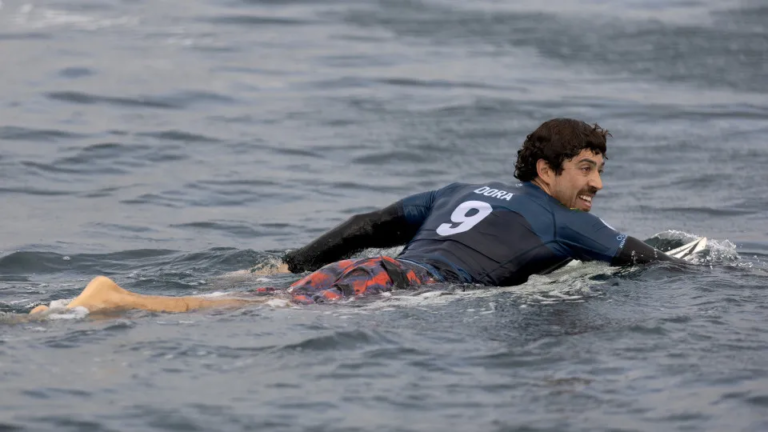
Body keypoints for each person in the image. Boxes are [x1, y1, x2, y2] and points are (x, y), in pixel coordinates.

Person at [30, 118, 680, 315]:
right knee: (251, 313)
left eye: (601, 169)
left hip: (382, 271)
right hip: (412, 286)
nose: (597, 184)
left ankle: (80, 307)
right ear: (546, 170)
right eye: (586, 168)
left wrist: (291, 263)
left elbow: (370, 224)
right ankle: (116, 300)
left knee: (261, 300)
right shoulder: (566, 223)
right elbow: (652, 264)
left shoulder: (459, 189)